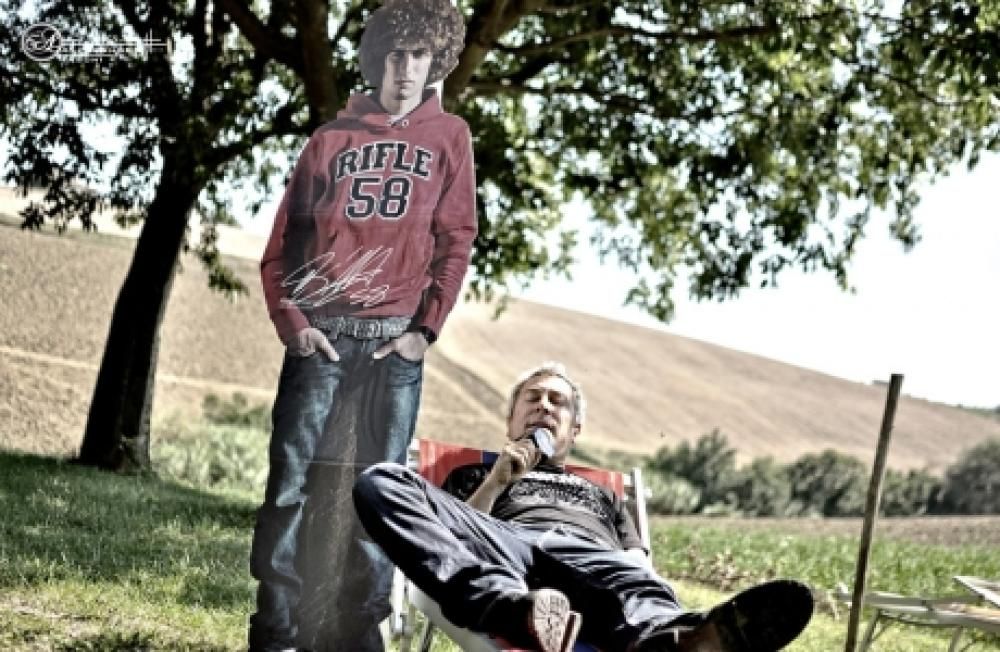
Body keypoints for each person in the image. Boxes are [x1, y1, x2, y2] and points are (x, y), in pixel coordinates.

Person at [251, 1, 474, 650]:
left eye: (420, 56)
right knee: (288, 486)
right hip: (321, 335)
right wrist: (293, 322)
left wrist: (423, 332)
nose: (407, 69)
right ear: (377, 60)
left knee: (383, 494)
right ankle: (274, 629)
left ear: (436, 63)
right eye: (396, 55)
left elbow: (456, 239)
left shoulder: (449, 137)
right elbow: (282, 244)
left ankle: (360, 629)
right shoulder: (329, 140)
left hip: (393, 345)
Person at [353, 362, 815, 652]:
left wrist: (649, 595)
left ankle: (678, 637)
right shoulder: (474, 473)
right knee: (382, 481)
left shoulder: (604, 494)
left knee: (638, 587)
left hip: (592, 560)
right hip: (500, 549)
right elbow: (446, 539)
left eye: (558, 402)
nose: (543, 406)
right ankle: (507, 608)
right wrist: (497, 481)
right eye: (532, 398)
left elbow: (636, 564)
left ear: (574, 430)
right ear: (511, 420)